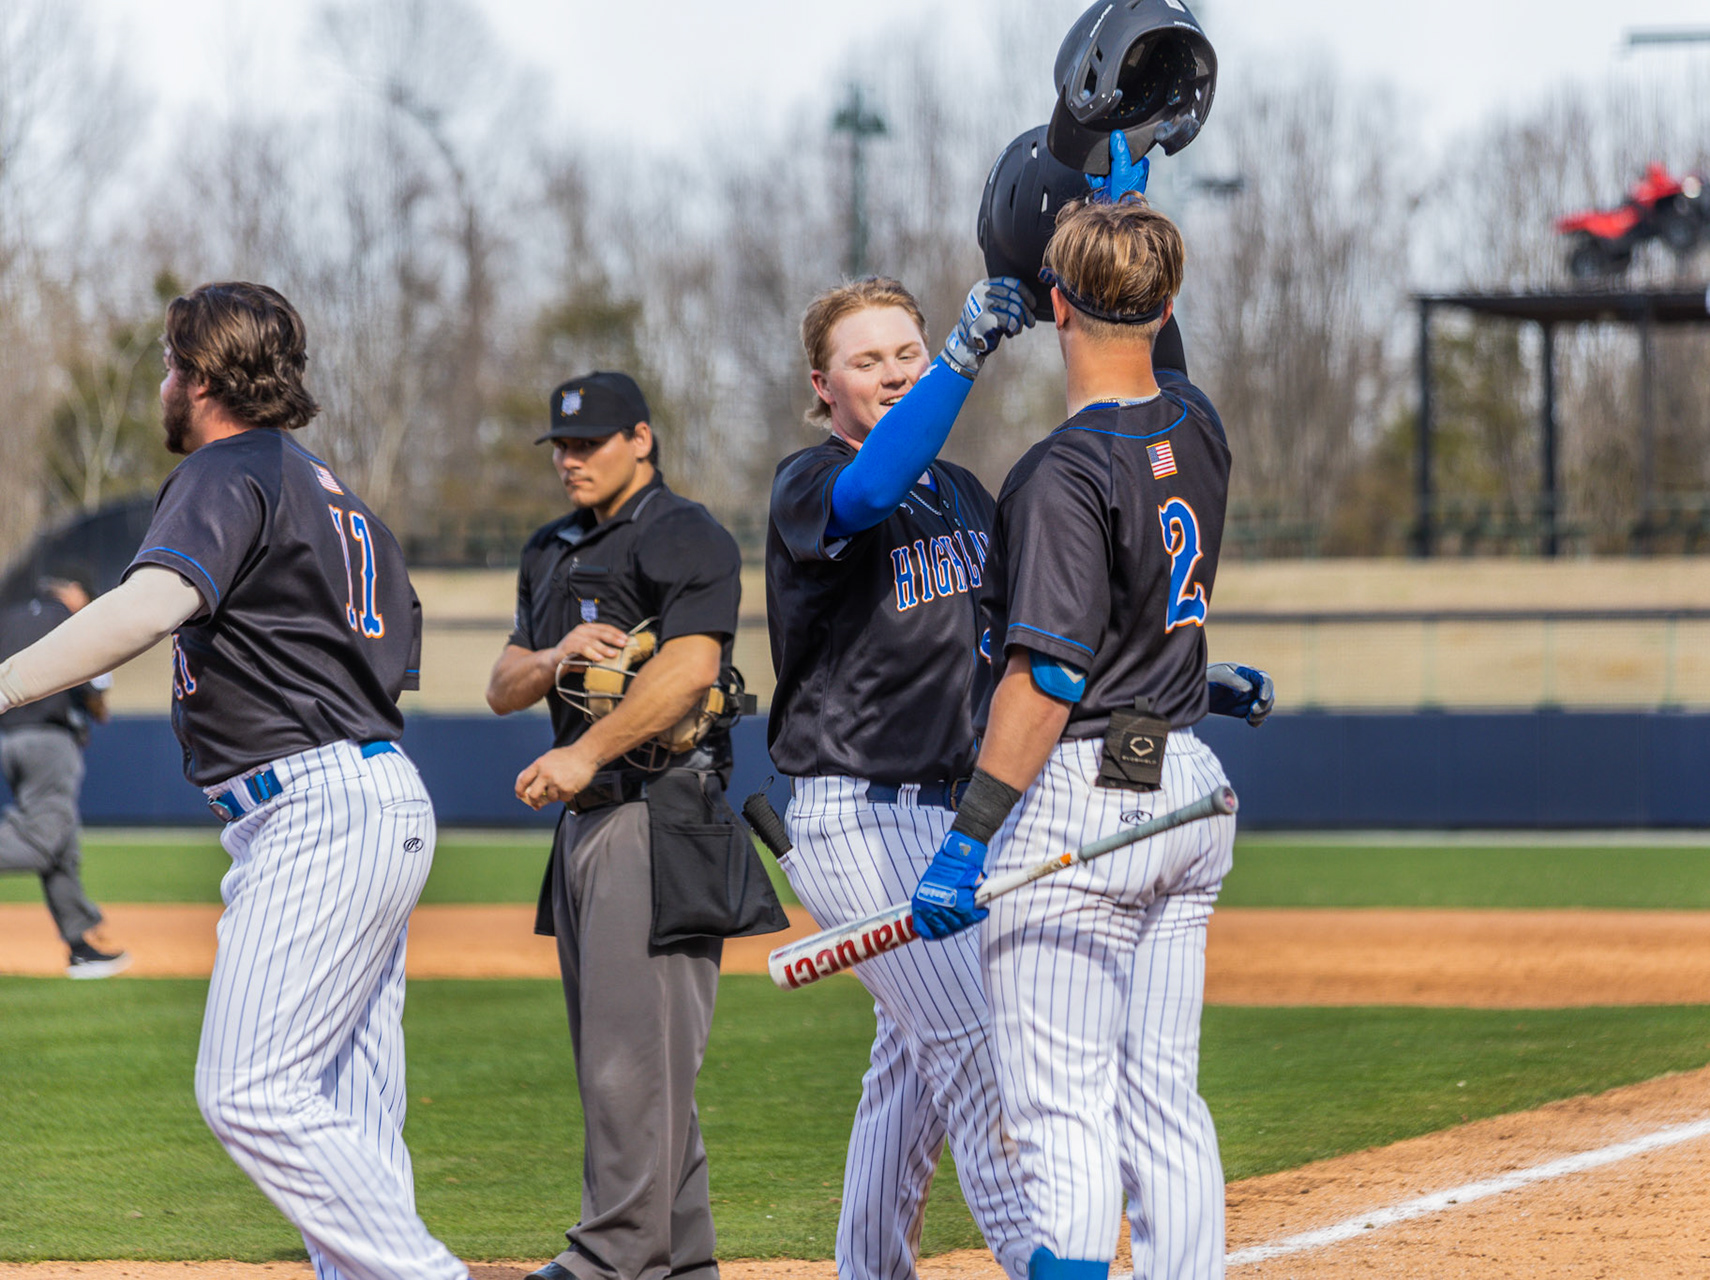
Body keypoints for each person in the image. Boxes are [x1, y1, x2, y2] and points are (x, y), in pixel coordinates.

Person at [0, 281, 463, 1279]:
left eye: (171, 366)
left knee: (248, 1086)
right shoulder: (335, 493)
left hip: (317, 805)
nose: (164, 384)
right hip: (374, 789)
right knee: (348, 1104)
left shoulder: (231, 467)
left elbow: (152, 602)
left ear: (202, 377)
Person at [910, 197, 1239, 1280]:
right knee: (1162, 1097)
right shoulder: (1197, 424)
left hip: (1079, 802)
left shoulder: (1059, 470)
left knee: (1061, 1113)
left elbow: (1047, 673)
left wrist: (969, 837)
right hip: (1184, 780)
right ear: (1170, 305)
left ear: (1054, 306)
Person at [765, 273, 1038, 1280]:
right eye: (865, 359)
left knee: (912, 1072)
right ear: (822, 385)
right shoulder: (811, 481)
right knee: (977, 1049)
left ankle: (866, 1268)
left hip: (953, 815)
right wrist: (966, 352)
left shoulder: (964, 494)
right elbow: (871, 490)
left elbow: (1022, 640)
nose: (890, 370)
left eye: (906, 353)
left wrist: (1177, 682)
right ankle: (1045, 1260)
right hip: (860, 816)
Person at [487, 371, 749, 1280]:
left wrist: (584, 753)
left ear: (641, 438)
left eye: (588, 442)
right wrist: (555, 653)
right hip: (589, 828)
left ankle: (612, 1257)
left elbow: (687, 670)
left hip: (661, 811)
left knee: (628, 1065)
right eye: (560, 445)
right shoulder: (548, 547)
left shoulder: (685, 533)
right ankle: (682, 1261)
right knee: (632, 1054)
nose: (569, 459)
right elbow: (502, 682)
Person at [0, 576, 125, 977]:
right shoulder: (73, 617)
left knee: (61, 842)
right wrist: (96, 709)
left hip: (9, 739)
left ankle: (80, 943)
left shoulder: (9, 617)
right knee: (42, 840)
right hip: (50, 741)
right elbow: (98, 690)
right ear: (71, 590)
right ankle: (80, 940)